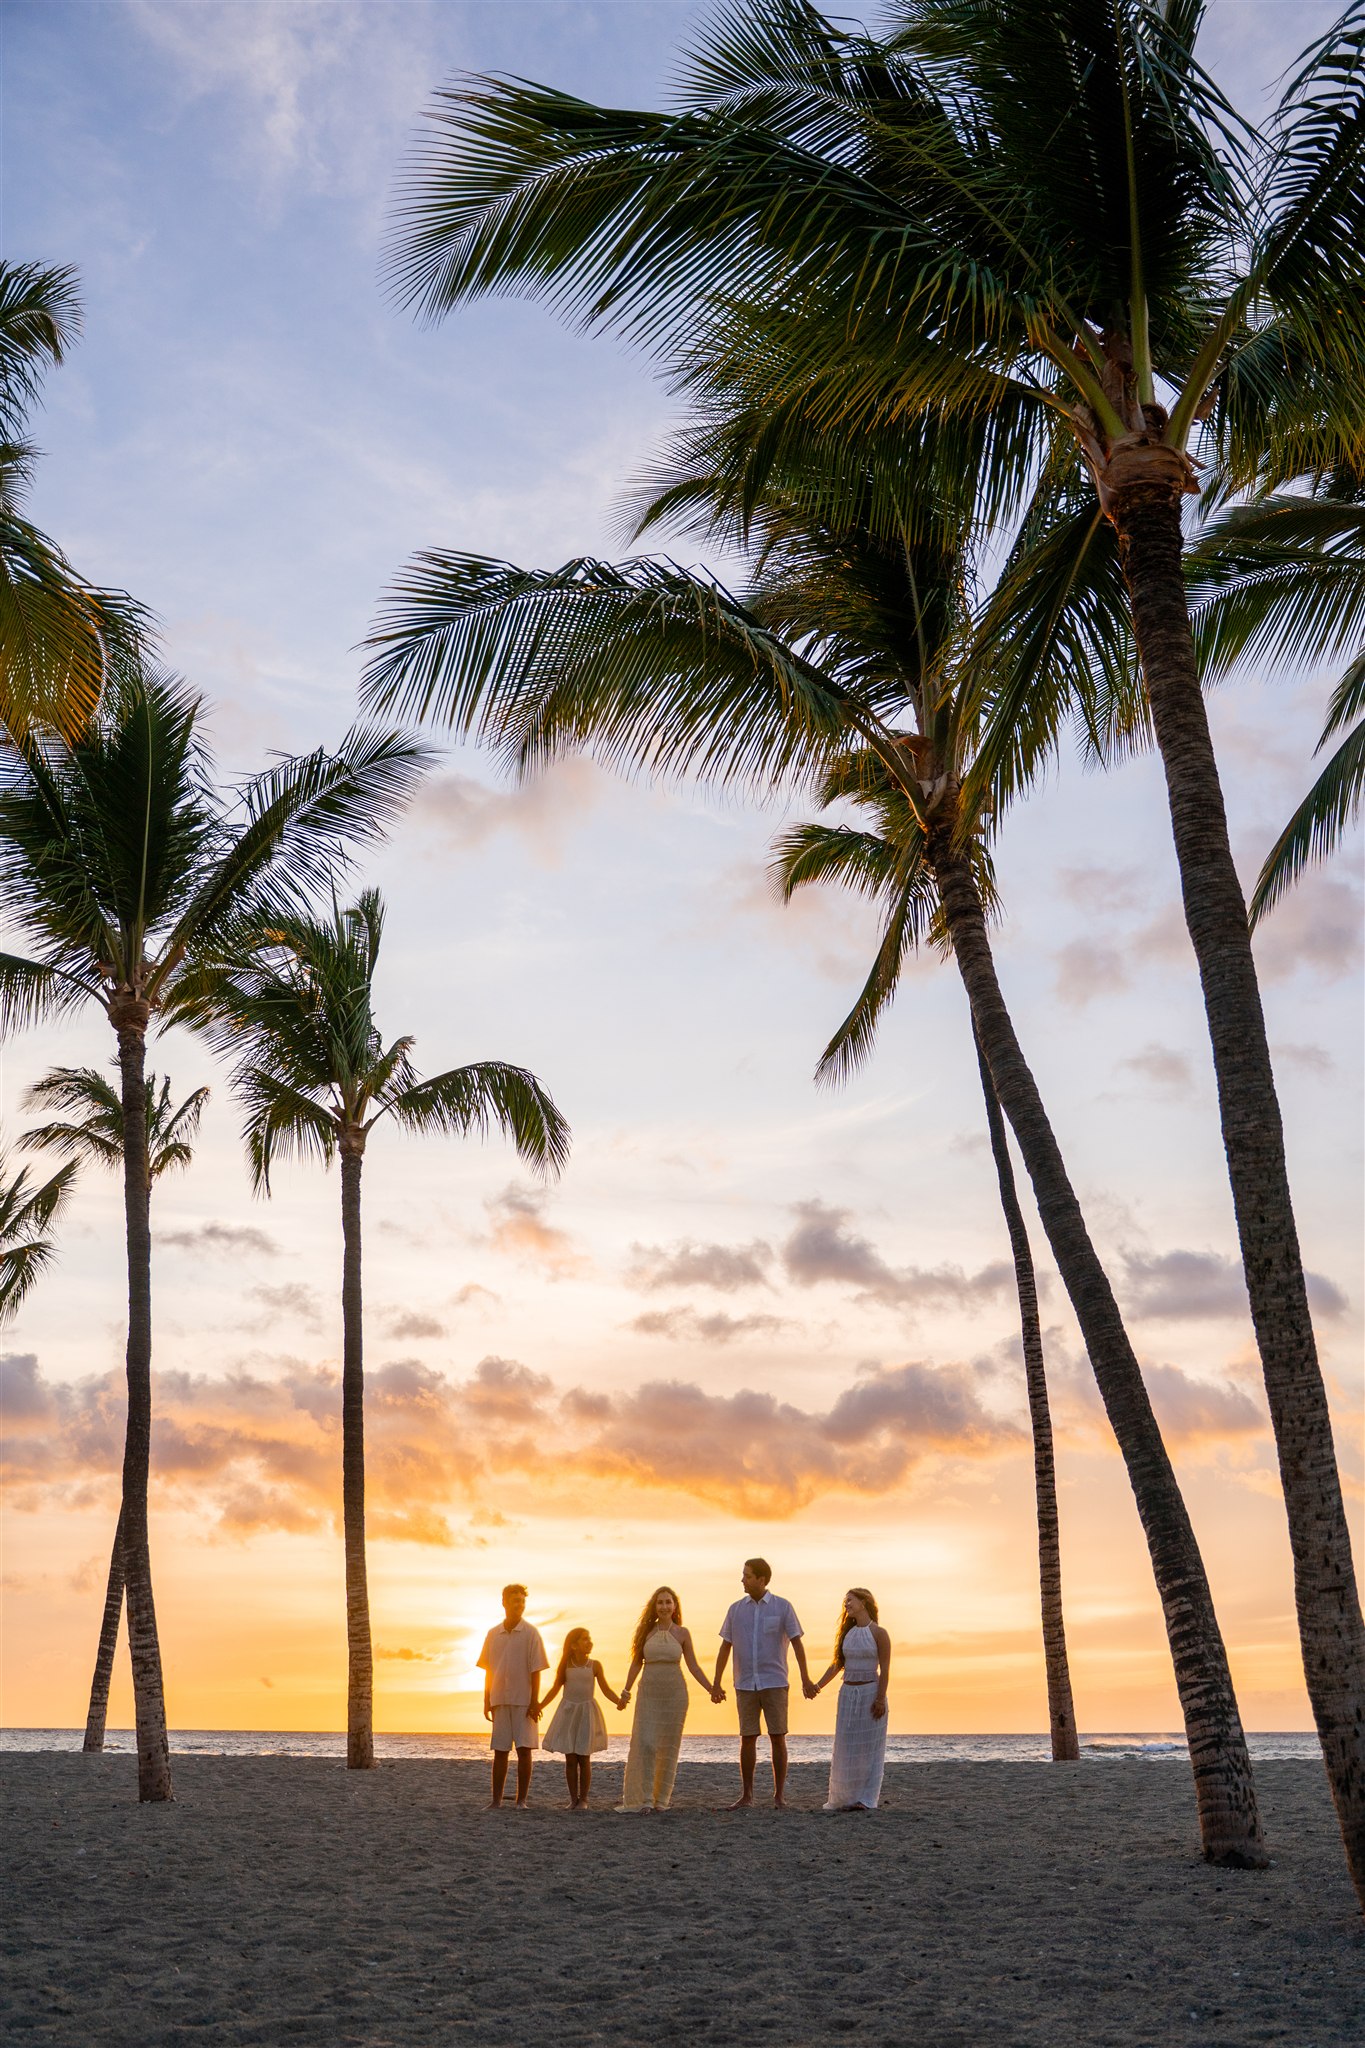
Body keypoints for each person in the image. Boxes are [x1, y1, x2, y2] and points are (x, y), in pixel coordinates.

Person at [713, 1558, 817, 1810]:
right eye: (743, 1575)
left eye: (747, 1576)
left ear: (762, 1579)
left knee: (777, 1736)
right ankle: (747, 1795)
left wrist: (805, 1678)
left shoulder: (782, 1607)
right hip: (745, 1683)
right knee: (747, 1737)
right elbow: (725, 1647)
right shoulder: (735, 1610)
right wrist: (715, 1683)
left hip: (774, 1681)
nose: (742, 1580)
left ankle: (779, 1796)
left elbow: (797, 1643)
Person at [617, 1586, 719, 1812]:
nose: (664, 1606)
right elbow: (636, 1664)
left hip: (674, 1695)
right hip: (649, 1693)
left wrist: (711, 1688)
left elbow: (693, 1665)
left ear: (674, 1607)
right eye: (660, 1602)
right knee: (646, 1744)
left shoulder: (683, 1633)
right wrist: (625, 1692)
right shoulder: (646, 1633)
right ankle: (644, 1799)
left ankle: (660, 1801)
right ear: (654, 1607)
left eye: (668, 1602)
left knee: (667, 1748)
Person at [812, 1587, 891, 1811]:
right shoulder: (847, 1634)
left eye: (850, 1600)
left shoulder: (879, 1633)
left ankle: (866, 1799)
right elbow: (837, 1665)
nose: (846, 1605)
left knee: (869, 1748)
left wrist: (879, 1699)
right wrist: (817, 1686)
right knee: (847, 1746)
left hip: (870, 1693)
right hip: (847, 1694)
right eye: (845, 1602)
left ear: (864, 1603)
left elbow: (885, 1670)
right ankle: (845, 1797)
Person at [535, 1627, 623, 1810]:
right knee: (570, 1758)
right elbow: (555, 1689)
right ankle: (573, 1799)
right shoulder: (566, 1666)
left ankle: (583, 1799)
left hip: (586, 1713)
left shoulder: (595, 1665)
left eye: (589, 1638)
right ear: (574, 1645)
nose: (589, 1641)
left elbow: (605, 1689)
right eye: (584, 1639)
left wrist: (618, 1701)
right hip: (568, 1713)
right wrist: (540, 1705)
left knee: (584, 1757)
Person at [478, 1583, 549, 1808]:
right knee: (500, 1751)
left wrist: (535, 1701)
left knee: (524, 1750)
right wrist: (486, 1699)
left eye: (522, 1601)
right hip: (499, 1698)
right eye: (515, 1600)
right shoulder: (493, 1634)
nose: (519, 1605)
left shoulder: (531, 1633)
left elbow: (536, 1669)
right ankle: (496, 1800)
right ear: (504, 1603)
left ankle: (522, 1801)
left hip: (524, 1700)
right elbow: (488, 1670)